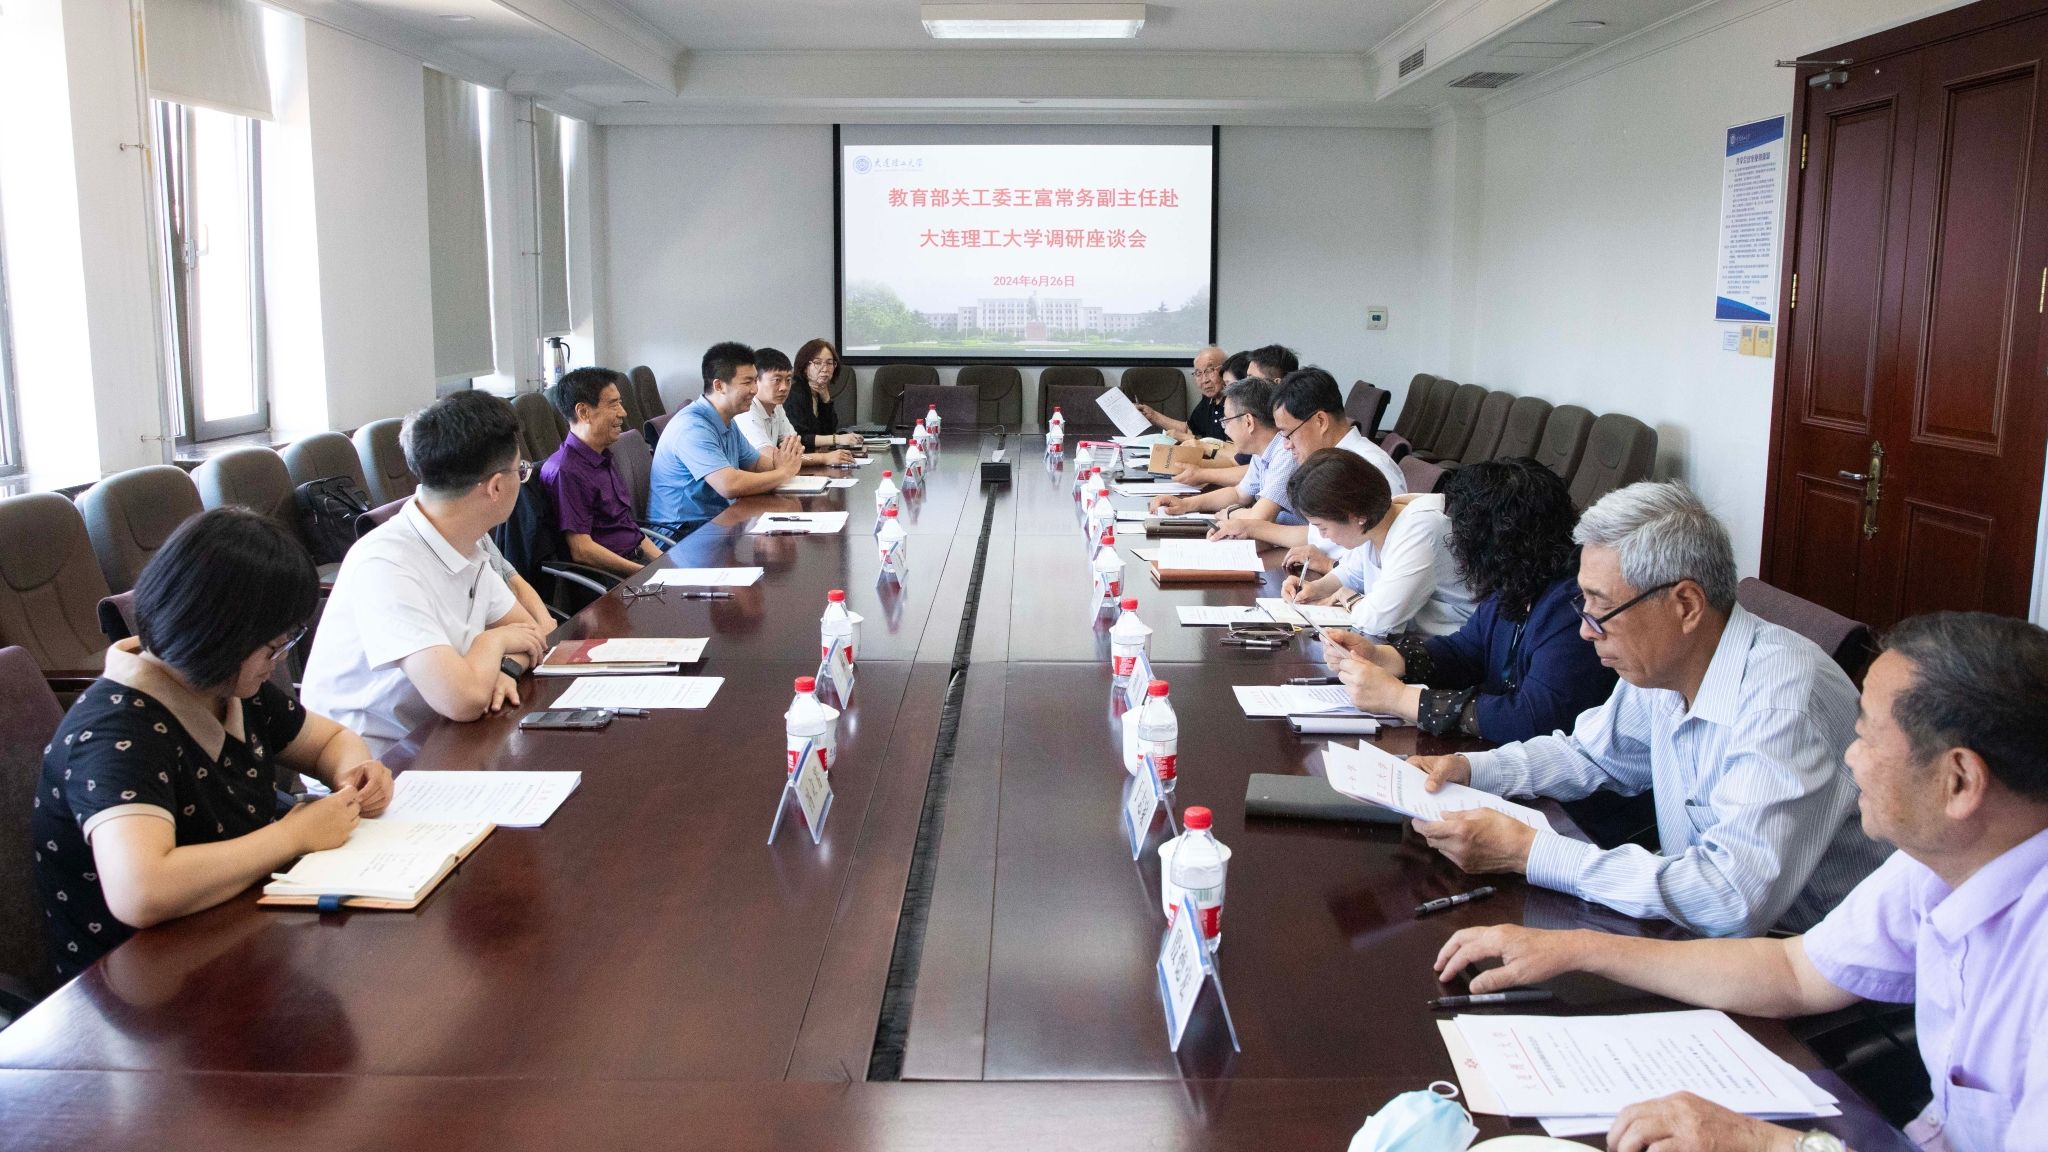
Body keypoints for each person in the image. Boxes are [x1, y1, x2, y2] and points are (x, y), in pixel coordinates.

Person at [1433, 612, 2046, 1152]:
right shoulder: (1936, 862)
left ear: (1959, 781)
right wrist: (1577, 948)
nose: (1850, 756)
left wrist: (1766, 1143)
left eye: (1866, 736)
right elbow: (1796, 973)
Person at [1399, 482, 1891, 937]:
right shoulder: (1667, 664)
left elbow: (1729, 898)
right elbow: (1589, 755)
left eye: (1602, 608)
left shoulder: (1783, 701)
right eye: (1583, 604)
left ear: (1685, 605)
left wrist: (1530, 852)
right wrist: (1471, 769)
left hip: (1803, 964)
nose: (1585, 630)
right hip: (1698, 931)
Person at [31, 509, 393, 979]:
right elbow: (142, 890)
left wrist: (354, 773)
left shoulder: (224, 685)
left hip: (236, 928)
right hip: (139, 980)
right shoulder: (116, 731)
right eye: (272, 646)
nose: (278, 658)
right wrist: (293, 836)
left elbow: (330, 741)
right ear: (218, 636)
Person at [302, 391, 552, 755]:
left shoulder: (467, 542)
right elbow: (462, 699)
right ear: (497, 486)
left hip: (444, 734)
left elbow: (534, 633)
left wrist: (504, 671)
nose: (522, 478)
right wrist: (492, 643)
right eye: (521, 470)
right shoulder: (386, 564)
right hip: (376, 764)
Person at [1322, 457, 1611, 742]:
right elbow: (1464, 653)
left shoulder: (1573, 606)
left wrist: (1399, 698)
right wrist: (1382, 657)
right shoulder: (1516, 583)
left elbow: (1533, 718)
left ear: (1491, 541)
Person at [1281, 449, 1473, 637]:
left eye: (1322, 527)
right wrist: (1314, 588)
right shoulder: (1377, 521)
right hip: (1418, 640)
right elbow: (1351, 572)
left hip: (1457, 645)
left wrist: (1349, 598)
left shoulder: (1420, 529)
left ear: (1355, 515)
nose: (1323, 536)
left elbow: (1379, 622)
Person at [1210, 367, 1404, 549]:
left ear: (1320, 421)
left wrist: (1252, 528)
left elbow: (1362, 553)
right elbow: (1315, 536)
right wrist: (1249, 528)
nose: (1286, 445)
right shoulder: (1325, 461)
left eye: (1288, 434)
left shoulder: (1371, 468)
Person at [648, 342, 804, 526]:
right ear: (719, 385)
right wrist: (783, 473)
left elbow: (755, 465)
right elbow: (729, 485)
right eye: (747, 382)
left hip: (718, 522)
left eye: (755, 381)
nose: (754, 389)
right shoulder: (692, 427)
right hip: (684, 533)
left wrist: (784, 462)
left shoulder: (727, 420)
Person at [540, 367, 664, 579]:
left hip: (635, 564)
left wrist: (665, 563)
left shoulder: (602, 455)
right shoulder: (566, 470)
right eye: (613, 404)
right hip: (610, 578)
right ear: (583, 412)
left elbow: (628, 528)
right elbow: (582, 550)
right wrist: (646, 573)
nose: (623, 413)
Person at [1145, 376, 1294, 525]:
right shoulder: (1261, 452)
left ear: (1248, 422)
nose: (1226, 431)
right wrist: (1185, 504)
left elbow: (1259, 518)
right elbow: (1238, 494)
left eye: (1226, 421)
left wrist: (1230, 513)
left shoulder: (1285, 452)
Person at [737, 348, 854, 467]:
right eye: (777, 380)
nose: (784, 387)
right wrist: (823, 458)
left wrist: (795, 456)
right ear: (755, 380)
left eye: (788, 380)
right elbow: (768, 457)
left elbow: (797, 450)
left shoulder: (777, 407)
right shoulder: (746, 411)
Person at [1135, 346, 1229, 443]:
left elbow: (1232, 448)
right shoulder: (1209, 399)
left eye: (1210, 370)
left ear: (1226, 370)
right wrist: (1152, 415)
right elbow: (1189, 430)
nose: (1204, 380)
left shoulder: (1234, 402)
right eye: (1198, 373)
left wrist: (1187, 438)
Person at [788, 338, 863, 452]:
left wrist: (826, 400)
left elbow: (829, 431)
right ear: (804, 367)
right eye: (818, 363)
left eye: (829, 363)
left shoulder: (819, 392)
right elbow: (800, 438)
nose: (825, 369)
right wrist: (838, 439)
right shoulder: (795, 394)